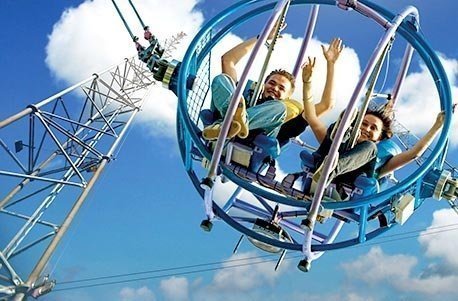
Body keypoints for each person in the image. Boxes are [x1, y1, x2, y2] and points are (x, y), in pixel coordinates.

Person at [301, 60, 446, 187]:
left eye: (373, 128)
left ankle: (331, 168)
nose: (366, 129)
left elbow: (414, 154)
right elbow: (311, 117)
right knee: (335, 134)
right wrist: (310, 80)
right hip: (326, 158)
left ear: (379, 138)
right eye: (363, 124)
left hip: (348, 182)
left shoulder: (377, 159)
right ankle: (342, 130)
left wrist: (437, 126)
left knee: (369, 148)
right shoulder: (336, 138)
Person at [202, 21, 343, 143]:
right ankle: (229, 121)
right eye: (272, 83)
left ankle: (235, 123)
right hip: (221, 124)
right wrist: (262, 38)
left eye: (281, 88)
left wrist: (331, 65)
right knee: (222, 79)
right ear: (263, 85)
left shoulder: (289, 113)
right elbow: (228, 60)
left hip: (256, 142)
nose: (275, 88)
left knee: (280, 108)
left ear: (288, 96)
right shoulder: (246, 96)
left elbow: (327, 105)